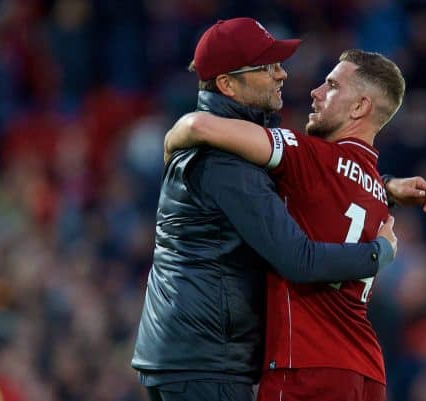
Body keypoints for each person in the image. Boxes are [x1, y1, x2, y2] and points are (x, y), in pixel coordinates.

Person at [131, 18, 400, 401]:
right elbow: (298, 259)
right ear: (227, 84)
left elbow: (326, 183)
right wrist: (378, 253)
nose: (282, 75)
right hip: (205, 358)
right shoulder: (225, 159)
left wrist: (386, 188)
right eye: (267, 67)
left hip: (197, 354)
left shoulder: (237, 148)